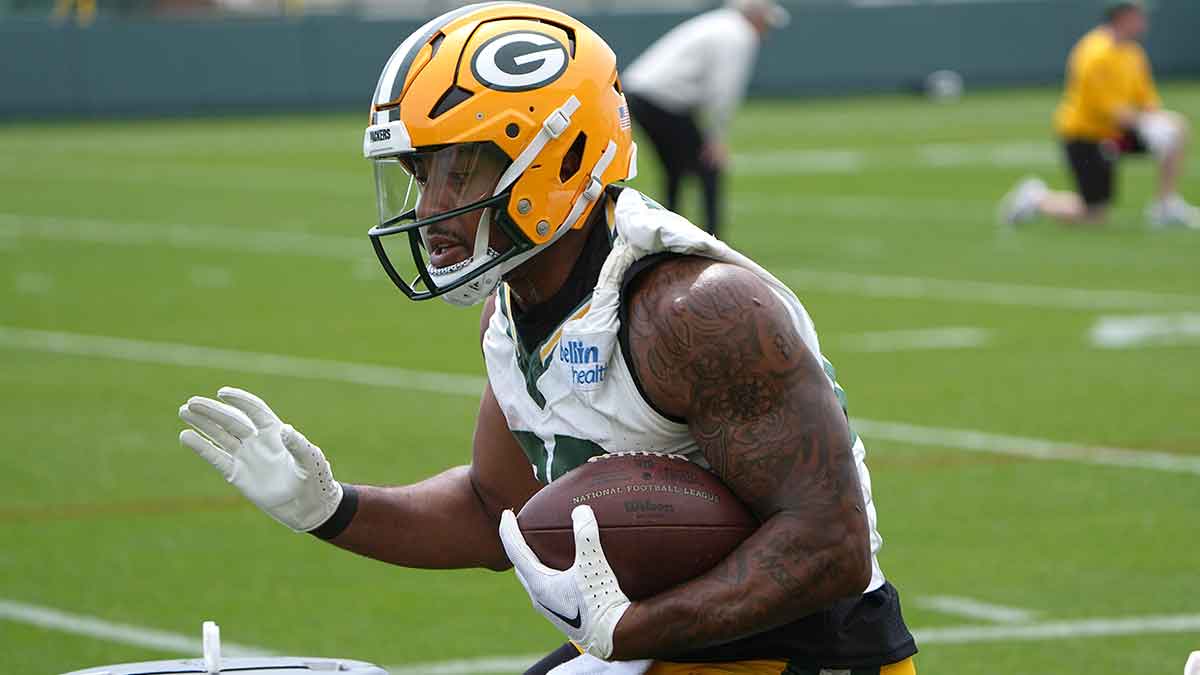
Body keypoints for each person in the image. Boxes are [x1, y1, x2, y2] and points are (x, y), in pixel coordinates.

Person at [176, 4, 916, 674]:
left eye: (459, 171)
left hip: (810, 651)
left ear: (556, 156)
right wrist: (330, 507)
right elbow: (490, 507)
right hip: (664, 640)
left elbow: (832, 544)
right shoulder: (512, 309)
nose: (430, 209)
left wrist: (631, 629)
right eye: (420, 174)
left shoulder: (693, 311)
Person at [1001, 0, 1197, 229]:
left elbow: (1146, 100)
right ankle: (1036, 198)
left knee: (1175, 129)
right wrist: (1146, 121)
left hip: (1116, 136)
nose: (1144, 22)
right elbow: (1108, 110)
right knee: (1093, 215)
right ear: (1122, 17)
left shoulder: (1133, 53)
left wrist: (1156, 119)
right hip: (1086, 138)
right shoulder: (1095, 53)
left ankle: (1165, 206)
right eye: (1138, 16)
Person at [620, 0, 789, 239]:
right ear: (756, 17)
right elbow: (723, 89)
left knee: (675, 169)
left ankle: (668, 233)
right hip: (660, 99)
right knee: (709, 166)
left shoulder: (718, 23)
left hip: (642, 94)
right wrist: (716, 138)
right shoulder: (738, 35)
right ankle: (712, 237)